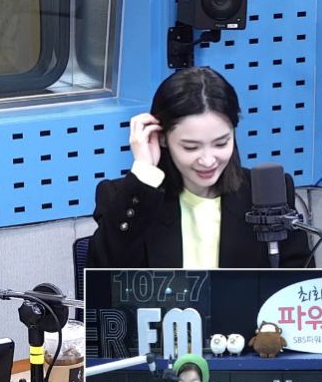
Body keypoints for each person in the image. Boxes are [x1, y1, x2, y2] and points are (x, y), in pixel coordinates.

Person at [86, 67, 309, 269]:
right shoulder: (125, 197)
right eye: (191, 147)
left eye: (221, 143)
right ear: (162, 138)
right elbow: (102, 276)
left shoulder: (266, 194)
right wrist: (144, 173)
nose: (208, 160)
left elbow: (298, 283)